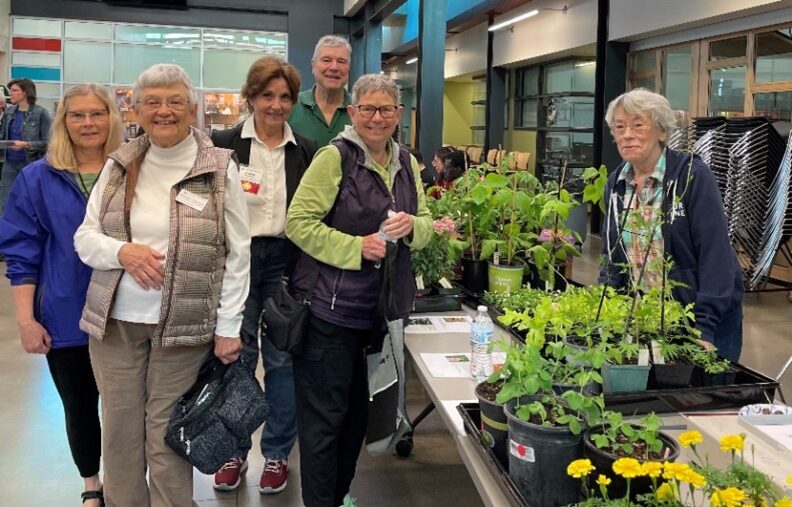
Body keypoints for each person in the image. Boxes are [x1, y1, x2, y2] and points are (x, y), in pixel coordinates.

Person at [74, 64, 251, 507]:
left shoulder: (219, 168)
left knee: (167, 436)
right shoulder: (120, 164)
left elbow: (238, 253)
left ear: (192, 108)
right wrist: (122, 252)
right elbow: (85, 237)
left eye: (174, 101)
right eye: (152, 102)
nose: (164, 111)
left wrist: (229, 326)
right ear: (136, 109)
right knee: (119, 432)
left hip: (184, 329)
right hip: (116, 325)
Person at [285, 73, 432, 507]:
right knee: (324, 423)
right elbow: (298, 223)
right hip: (329, 314)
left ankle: (339, 496)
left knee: (355, 419)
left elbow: (426, 224)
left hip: (378, 315)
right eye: (367, 108)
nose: (376, 118)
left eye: (385, 109)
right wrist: (356, 247)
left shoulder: (406, 162)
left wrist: (412, 226)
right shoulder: (335, 157)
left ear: (399, 114)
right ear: (353, 112)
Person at [0, 83, 124, 507]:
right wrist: (26, 320)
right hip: (65, 312)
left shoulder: (133, 171)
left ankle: (127, 484)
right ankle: (92, 484)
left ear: (112, 118)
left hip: (128, 314)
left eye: (97, 113)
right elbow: (22, 252)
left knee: (128, 410)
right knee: (79, 405)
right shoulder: (38, 177)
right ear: (63, 122)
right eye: (77, 114)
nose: (88, 123)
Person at [210, 55, 318, 494]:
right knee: (236, 357)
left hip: (286, 262)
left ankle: (276, 453)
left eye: (285, 97)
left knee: (281, 360)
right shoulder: (224, 144)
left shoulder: (305, 149)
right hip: (237, 260)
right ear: (251, 97)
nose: (276, 105)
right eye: (267, 95)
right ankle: (233, 450)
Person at [598, 88, 743, 362]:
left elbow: (715, 255)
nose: (627, 134)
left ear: (662, 132)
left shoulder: (692, 177)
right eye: (619, 127)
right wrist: (606, 306)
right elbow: (612, 255)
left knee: (707, 386)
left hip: (701, 319)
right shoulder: (616, 184)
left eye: (638, 125)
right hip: (647, 317)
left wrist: (704, 325)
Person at [289, 35, 352, 146]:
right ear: (313, 65)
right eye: (326, 60)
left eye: (341, 61)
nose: (334, 67)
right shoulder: (291, 105)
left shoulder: (361, 110)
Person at [0, 78, 52, 214]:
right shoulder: (9, 112)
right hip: (9, 164)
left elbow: (48, 144)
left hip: (31, 165)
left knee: (31, 203)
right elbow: (2, 136)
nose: (10, 93)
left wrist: (27, 145)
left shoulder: (41, 114)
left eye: (14, 90)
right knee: (6, 202)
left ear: (25, 92)